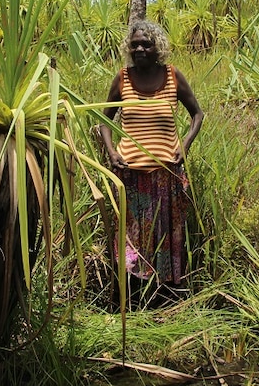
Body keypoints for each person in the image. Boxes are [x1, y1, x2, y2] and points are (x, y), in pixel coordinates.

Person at [98, 19, 204, 307]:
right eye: (135, 45)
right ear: (128, 48)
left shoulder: (172, 76)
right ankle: (130, 300)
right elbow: (105, 121)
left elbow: (197, 114)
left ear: (158, 46)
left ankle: (164, 298)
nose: (141, 48)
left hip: (165, 174)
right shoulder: (122, 78)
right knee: (131, 239)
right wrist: (111, 153)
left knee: (166, 236)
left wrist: (185, 144)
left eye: (146, 43)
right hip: (130, 175)